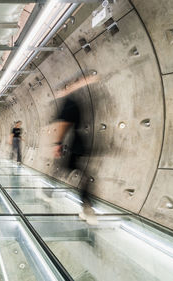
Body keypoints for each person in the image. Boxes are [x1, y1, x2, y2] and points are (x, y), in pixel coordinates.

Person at [53, 74, 98, 224]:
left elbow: (64, 125)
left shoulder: (68, 103)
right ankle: (87, 206)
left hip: (74, 142)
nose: (58, 94)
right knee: (77, 171)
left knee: (65, 169)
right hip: (82, 140)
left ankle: (86, 206)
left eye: (59, 91)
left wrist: (57, 143)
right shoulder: (76, 100)